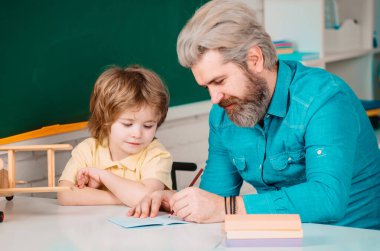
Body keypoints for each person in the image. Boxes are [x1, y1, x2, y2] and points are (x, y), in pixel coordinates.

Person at [128, 0, 380, 229]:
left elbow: (327, 198)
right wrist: (175, 200)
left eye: (220, 81)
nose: (214, 98)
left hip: (352, 237)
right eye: (207, 87)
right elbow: (214, 198)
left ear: (255, 58)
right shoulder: (223, 116)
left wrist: (225, 208)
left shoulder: (324, 98)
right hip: (283, 237)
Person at [57, 65, 172, 206]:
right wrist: (124, 199)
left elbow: (146, 196)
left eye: (148, 126)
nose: (137, 134)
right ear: (106, 120)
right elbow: (64, 194)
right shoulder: (88, 150)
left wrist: (103, 175)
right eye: (127, 124)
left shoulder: (156, 155)